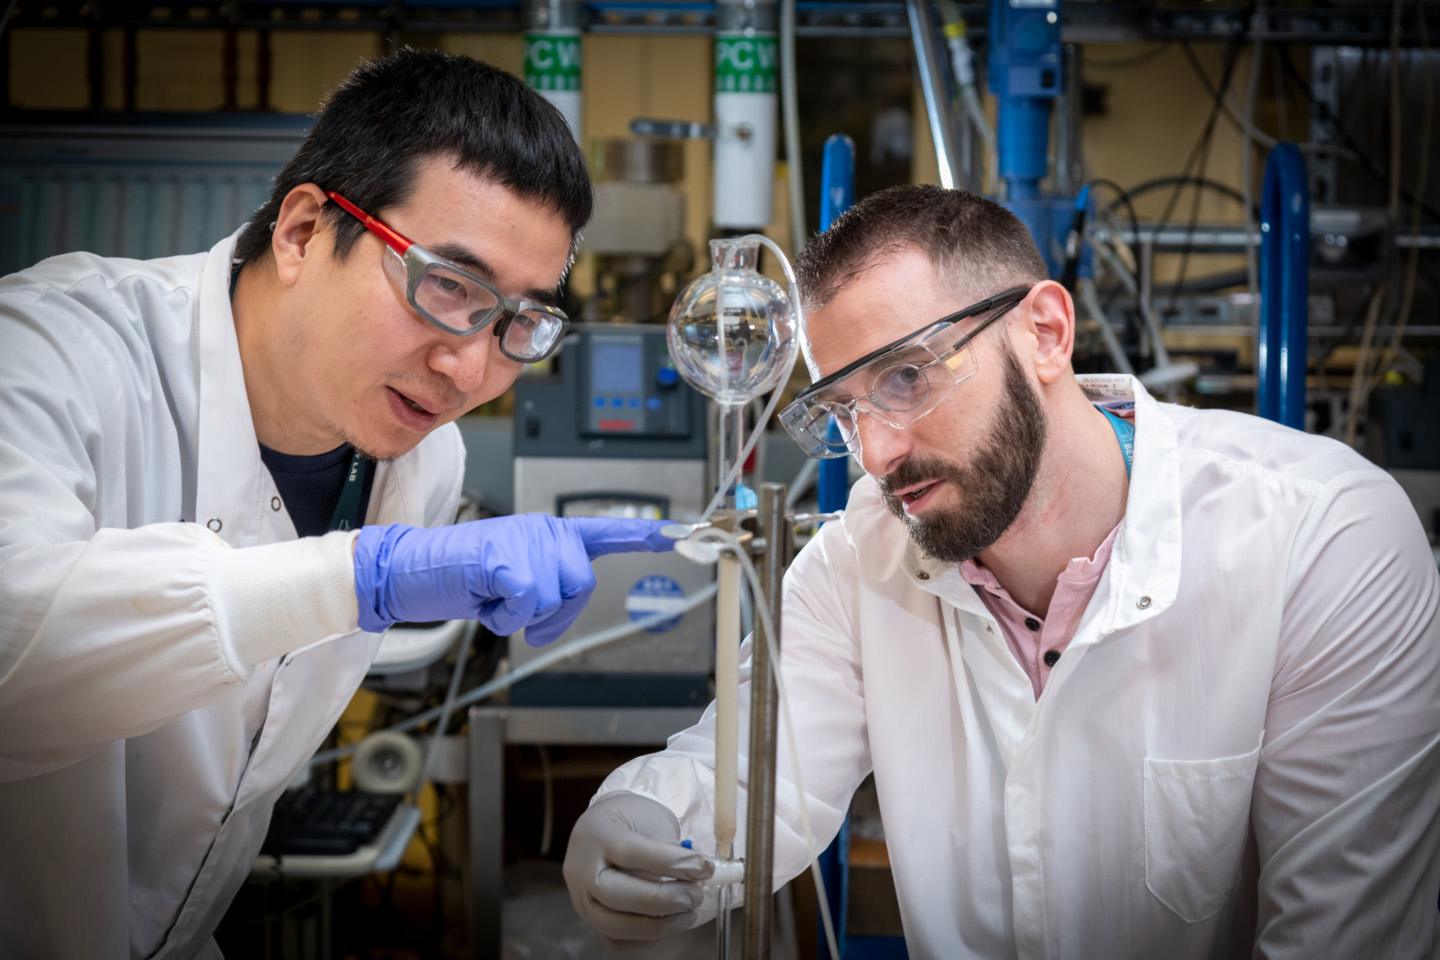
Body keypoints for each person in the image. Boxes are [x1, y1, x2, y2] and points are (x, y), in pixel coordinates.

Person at [563, 185, 1440, 957]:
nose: (875, 454)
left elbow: (1343, 932)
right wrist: (644, 815)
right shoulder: (861, 561)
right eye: (842, 410)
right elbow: (756, 777)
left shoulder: (1320, 537)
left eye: (906, 376)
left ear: (1045, 333)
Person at [0, 50, 673, 960]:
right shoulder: (49, 352)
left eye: (521, 323)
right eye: (448, 286)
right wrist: (362, 575)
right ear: (305, 231)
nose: (471, 369)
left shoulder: (423, 457)